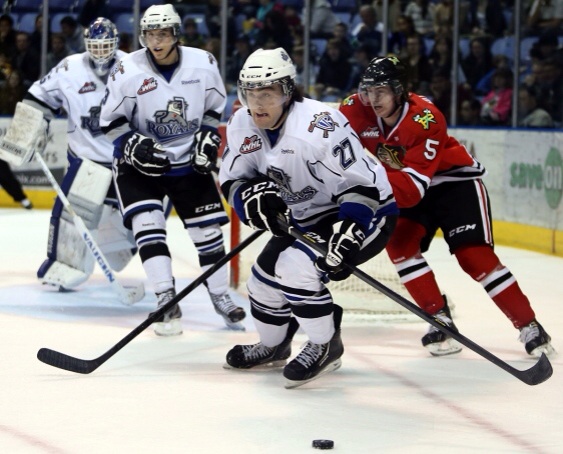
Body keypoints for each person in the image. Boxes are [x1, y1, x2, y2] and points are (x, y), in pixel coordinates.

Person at [338, 56, 554, 358]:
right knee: (399, 246)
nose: (373, 99)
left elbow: (411, 192)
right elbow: (322, 135)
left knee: (474, 258)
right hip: (405, 181)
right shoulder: (353, 108)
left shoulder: (425, 119)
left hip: (453, 184)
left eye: (381, 91)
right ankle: (439, 319)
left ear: (399, 90)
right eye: (368, 91)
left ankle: (529, 325)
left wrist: (361, 185)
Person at [219, 47, 398, 388]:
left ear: (288, 92)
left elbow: (361, 187)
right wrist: (249, 199)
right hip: (307, 214)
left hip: (364, 210)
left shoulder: (320, 125)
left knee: (295, 268)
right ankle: (274, 345)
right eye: (250, 93)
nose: (258, 103)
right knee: (262, 281)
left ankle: (325, 344)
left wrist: (350, 230)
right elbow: (233, 181)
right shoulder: (241, 123)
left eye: (268, 93)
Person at [99, 4, 244, 336]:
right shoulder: (127, 69)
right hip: (139, 165)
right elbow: (109, 123)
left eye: (163, 34)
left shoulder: (203, 63)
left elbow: (213, 110)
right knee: (148, 226)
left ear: (176, 34)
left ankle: (220, 296)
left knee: (208, 233)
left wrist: (208, 135)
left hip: (188, 160)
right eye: (150, 34)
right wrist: (131, 144)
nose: (156, 41)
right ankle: (166, 297)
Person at [23, 18, 135, 293]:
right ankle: (67, 265)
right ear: (86, 44)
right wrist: (30, 127)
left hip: (127, 161)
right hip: (86, 161)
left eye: (105, 46)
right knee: (71, 218)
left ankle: (118, 244)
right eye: (95, 46)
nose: (100, 52)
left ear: (116, 44)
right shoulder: (69, 67)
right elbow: (39, 96)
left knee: (142, 214)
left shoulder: (134, 66)